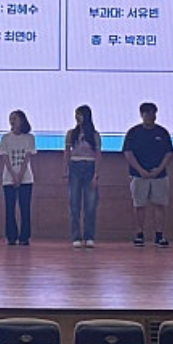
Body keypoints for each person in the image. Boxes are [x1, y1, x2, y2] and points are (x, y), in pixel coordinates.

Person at [122, 101, 173, 248]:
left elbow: (169, 153)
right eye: (148, 113)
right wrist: (140, 170)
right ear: (142, 115)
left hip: (160, 175)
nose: (151, 116)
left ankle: (159, 235)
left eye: (153, 113)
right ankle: (139, 234)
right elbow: (128, 153)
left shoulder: (162, 132)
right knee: (139, 205)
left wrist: (159, 169)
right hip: (138, 175)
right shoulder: (133, 132)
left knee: (160, 204)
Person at [64, 104, 100, 248]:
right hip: (75, 167)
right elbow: (67, 152)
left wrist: (96, 173)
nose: (77, 117)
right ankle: (76, 236)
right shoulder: (71, 133)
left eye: (80, 114)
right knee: (74, 204)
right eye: (76, 114)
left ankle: (89, 236)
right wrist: (65, 170)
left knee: (90, 205)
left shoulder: (94, 135)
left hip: (90, 167)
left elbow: (98, 155)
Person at [0, 109, 36, 245]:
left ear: (22, 120)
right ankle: (11, 236)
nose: (12, 121)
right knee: (10, 208)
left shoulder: (29, 138)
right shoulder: (5, 138)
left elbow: (27, 158)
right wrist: (13, 175)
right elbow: (5, 158)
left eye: (15, 118)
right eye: (11, 118)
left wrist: (20, 175)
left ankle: (24, 237)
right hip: (8, 178)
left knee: (25, 208)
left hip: (26, 178)